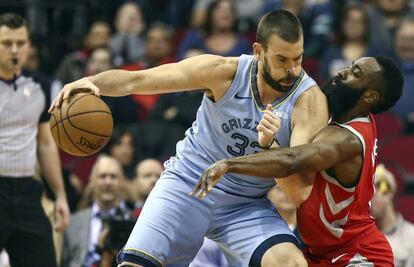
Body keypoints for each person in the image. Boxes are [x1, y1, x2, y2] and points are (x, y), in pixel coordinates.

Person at [50, 10, 328, 267]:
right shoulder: (223, 72)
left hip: (246, 203)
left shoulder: (309, 101)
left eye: (298, 58)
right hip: (188, 182)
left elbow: (298, 192)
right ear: (258, 51)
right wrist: (91, 82)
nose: (292, 70)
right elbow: (139, 80)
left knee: (291, 263)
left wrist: (272, 147)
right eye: (282, 60)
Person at [192, 56, 404, 266]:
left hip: (358, 254)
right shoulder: (348, 115)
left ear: (370, 96)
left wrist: (229, 164)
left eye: (354, 74)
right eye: (350, 66)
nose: (342, 72)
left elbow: (291, 160)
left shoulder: (345, 140)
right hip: (323, 254)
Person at [0, 13, 70, 267]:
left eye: (20, 43)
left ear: (29, 45)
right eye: (6, 43)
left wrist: (60, 194)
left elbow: (46, 144)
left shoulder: (41, 86)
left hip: (27, 191)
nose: (15, 50)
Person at [61, 155, 126, 267]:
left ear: (122, 182)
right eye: (102, 176)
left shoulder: (134, 223)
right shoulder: (72, 222)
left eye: (113, 177)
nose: (108, 182)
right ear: (92, 180)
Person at [371, 164, 414, 267]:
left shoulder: (411, 237)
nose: (367, 203)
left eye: (371, 196)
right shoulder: (362, 237)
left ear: (387, 194)